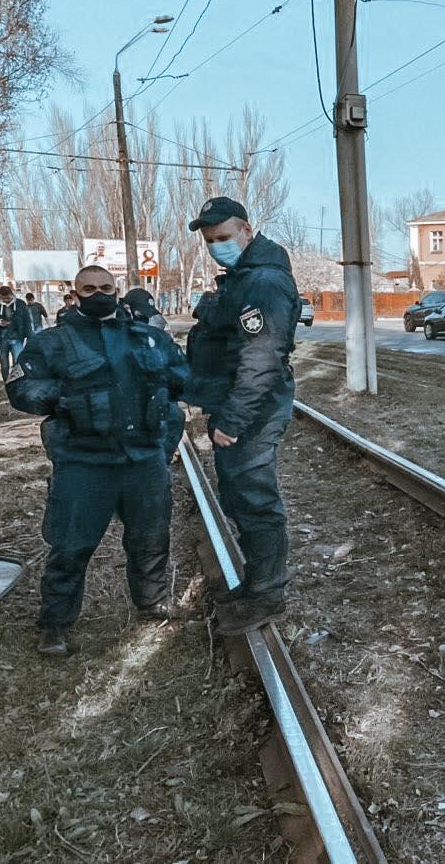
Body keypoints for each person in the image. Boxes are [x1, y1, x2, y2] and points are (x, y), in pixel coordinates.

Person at [4, 265, 189, 657]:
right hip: (83, 463)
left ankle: (152, 603)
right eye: (89, 288)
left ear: (117, 289)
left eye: (106, 287)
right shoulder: (52, 342)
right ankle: (55, 625)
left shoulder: (148, 337)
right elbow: (20, 387)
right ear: (75, 292)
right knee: (70, 547)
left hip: (143, 460)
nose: (99, 294)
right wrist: (64, 397)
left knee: (151, 538)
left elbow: (184, 375)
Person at [184, 196, 300, 635]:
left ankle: (267, 593)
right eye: (211, 241)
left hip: (253, 407)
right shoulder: (243, 277)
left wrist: (233, 420)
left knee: (253, 497)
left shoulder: (263, 282)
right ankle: (256, 584)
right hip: (238, 401)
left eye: (224, 237)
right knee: (237, 493)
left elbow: (261, 358)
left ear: (247, 231)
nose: (217, 246)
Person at [0, 285, 31, 380]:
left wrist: (29, 336)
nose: (6, 300)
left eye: (8, 298)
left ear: (12, 295)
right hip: (1, 339)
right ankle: (6, 382)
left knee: (17, 363)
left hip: (17, 338)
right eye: (3, 298)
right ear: (0, 296)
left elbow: (27, 321)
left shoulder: (20, 304)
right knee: (4, 365)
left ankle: (16, 382)